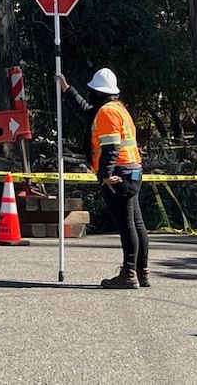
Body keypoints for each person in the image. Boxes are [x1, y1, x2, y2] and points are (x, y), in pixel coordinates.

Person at [61, 68, 150, 289]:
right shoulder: (117, 109)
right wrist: (67, 90)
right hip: (132, 171)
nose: (90, 94)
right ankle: (142, 271)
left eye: (92, 90)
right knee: (137, 224)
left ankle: (129, 273)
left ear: (99, 92)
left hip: (119, 174)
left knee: (127, 225)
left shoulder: (107, 113)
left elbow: (110, 148)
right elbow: (87, 111)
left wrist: (105, 175)